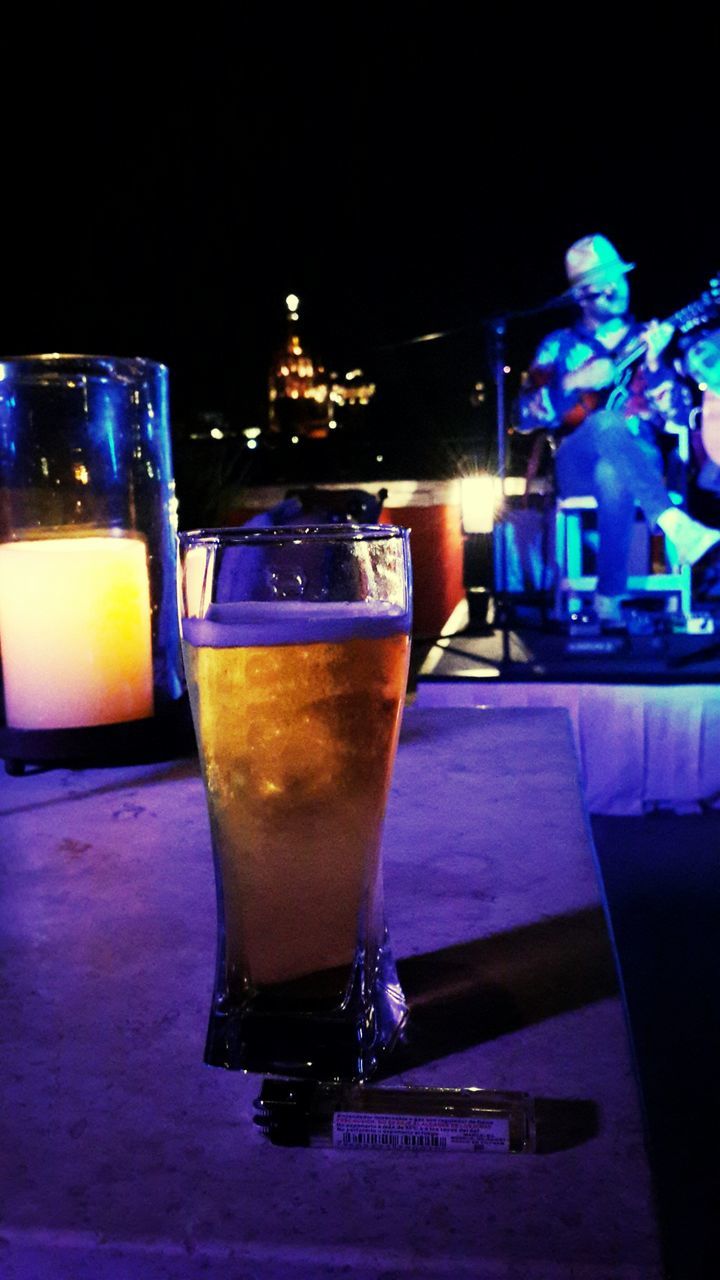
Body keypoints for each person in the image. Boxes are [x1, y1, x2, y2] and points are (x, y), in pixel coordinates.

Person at [517, 234, 720, 626]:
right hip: (575, 464)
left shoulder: (647, 337)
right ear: (581, 295)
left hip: (640, 464)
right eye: (603, 281)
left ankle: (608, 599)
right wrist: (571, 382)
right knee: (604, 422)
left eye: (619, 277)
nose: (617, 287)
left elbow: (677, 418)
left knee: (615, 471)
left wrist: (658, 364)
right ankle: (678, 527)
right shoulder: (557, 346)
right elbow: (522, 418)